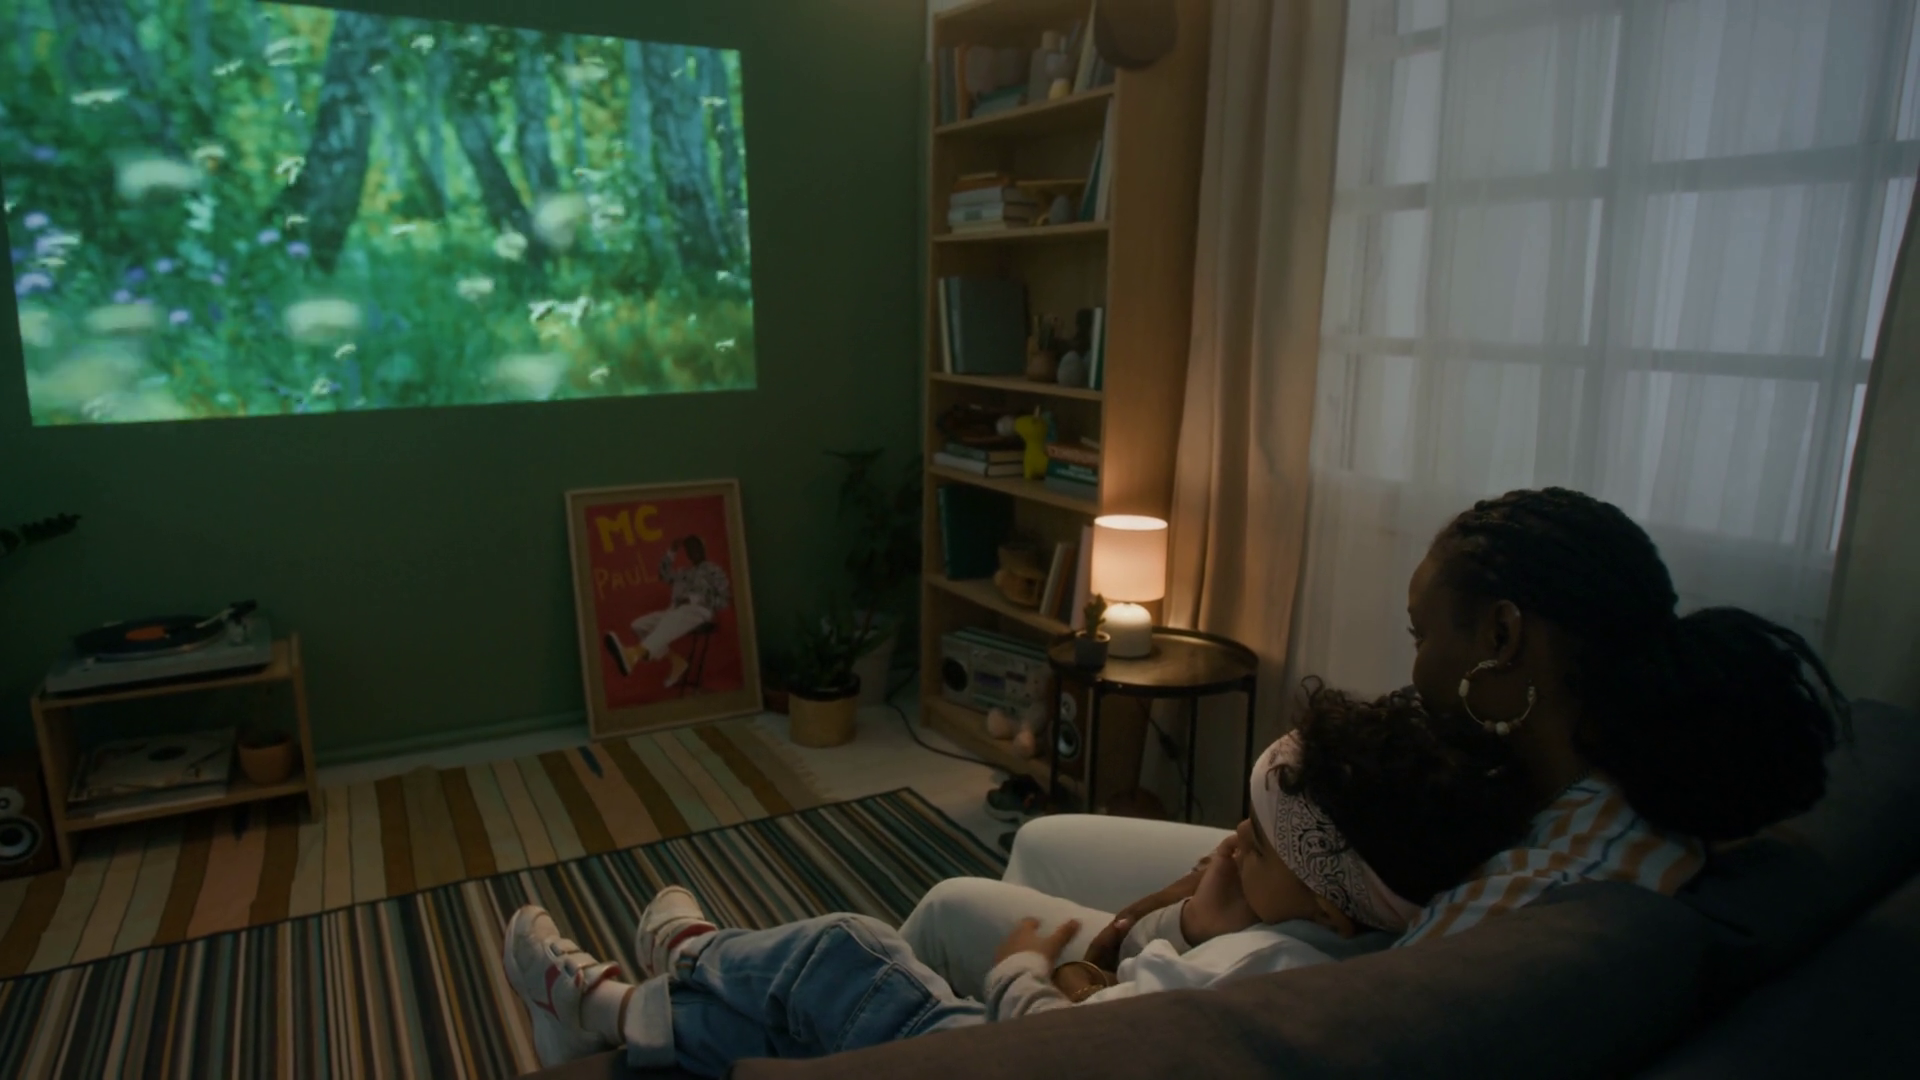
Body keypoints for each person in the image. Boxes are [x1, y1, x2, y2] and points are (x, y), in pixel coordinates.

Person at [901, 486, 1849, 991]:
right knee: (1042, 839)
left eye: (1420, 634)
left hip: (1317, 920)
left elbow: (1347, 1005)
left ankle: (971, 1019)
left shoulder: (1532, 898)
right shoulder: (1582, 770)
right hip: (1317, 891)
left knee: (952, 902)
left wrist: (1180, 948)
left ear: (1502, 637)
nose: (1414, 667)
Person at [501, 687, 1534, 1074]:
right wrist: (1195, 912)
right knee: (816, 1010)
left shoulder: (1256, 970)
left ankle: (662, 977)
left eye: (1254, 849)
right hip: (1031, 1033)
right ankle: (634, 1019)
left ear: (1330, 902)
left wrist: (1021, 975)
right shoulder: (1303, 940)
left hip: (1000, 1049)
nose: (1227, 846)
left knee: (846, 953)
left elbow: (1078, 1042)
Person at [605, 534, 730, 688]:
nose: (693, 552)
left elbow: (724, 600)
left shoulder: (714, 571)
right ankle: (676, 662)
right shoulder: (684, 573)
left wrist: (693, 600)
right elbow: (663, 575)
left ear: (702, 548)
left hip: (700, 611)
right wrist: (671, 551)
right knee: (638, 625)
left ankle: (634, 654)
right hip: (675, 611)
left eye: (695, 547)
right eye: (689, 549)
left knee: (678, 615)